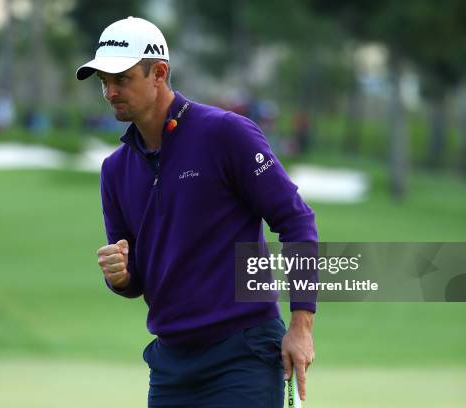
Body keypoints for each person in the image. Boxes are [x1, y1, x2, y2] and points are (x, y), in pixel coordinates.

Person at [77, 16, 318, 407]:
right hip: (171, 365)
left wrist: (301, 324)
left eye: (121, 79)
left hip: (243, 355)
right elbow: (133, 278)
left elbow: (296, 221)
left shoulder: (226, 134)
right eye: (104, 81)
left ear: (158, 73)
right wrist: (118, 275)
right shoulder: (115, 170)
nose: (109, 91)